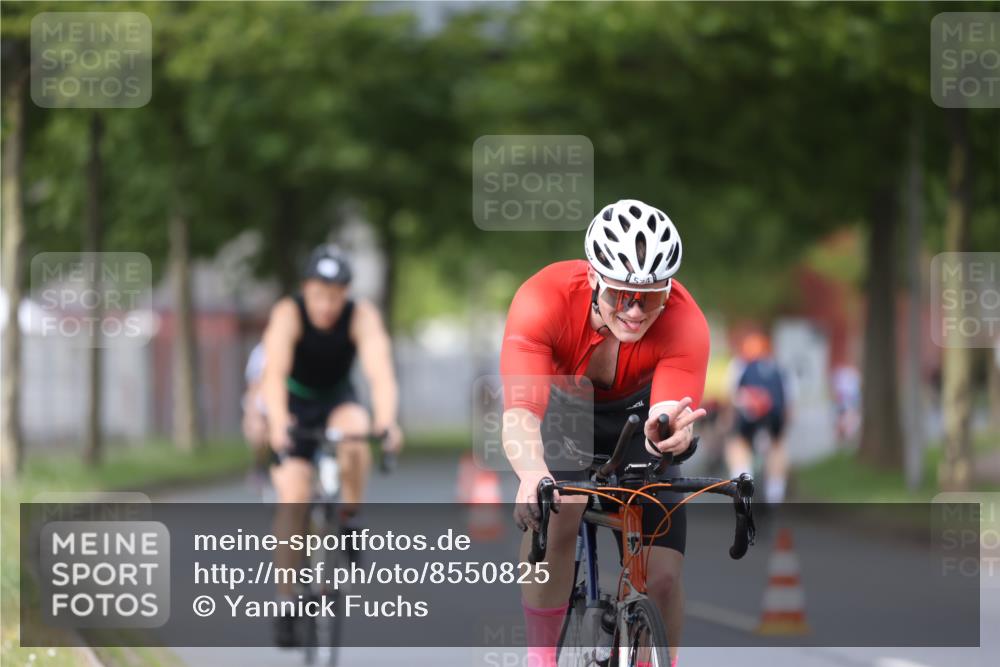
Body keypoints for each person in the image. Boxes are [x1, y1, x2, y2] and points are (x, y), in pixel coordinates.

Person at [500, 199, 709, 667]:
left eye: (650, 297)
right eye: (620, 295)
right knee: (560, 509)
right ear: (594, 278)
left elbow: (666, 414)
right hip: (564, 414)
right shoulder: (543, 299)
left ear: (668, 290)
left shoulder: (684, 320)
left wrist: (666, 437)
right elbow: (520, 414)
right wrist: (532, 474)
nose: (634, 311)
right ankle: (540, 658)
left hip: (635, 418)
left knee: (663, 578)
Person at [260, 243, 403, 647]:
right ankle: (286, 601)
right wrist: (277, 422)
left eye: (336, 296)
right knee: (293, 496)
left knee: (356, 431)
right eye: (319, 295)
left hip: (337, 399)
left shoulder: (361, 316)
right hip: (295, 404)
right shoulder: (288, 313)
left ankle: (349, 518)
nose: (327, 305)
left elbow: (380, 373)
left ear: (346, 293)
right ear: (306, 288)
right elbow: (273, 375)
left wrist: (387, 421)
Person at [724, 332, 789, 504]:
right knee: (777, 446)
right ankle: (775, 494)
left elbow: (732, 397)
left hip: (748, 413)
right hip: (774, 414)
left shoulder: (739, 365)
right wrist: (782, 429)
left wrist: (728, 422)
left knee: (738, 443)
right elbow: (788, 404)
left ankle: (743, 489)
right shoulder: (778, 367)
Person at [240, 341, 271, 487]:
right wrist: (252, 413)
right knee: (258, 431)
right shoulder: (260, 352)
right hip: (264, 403)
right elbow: (253, 385)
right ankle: (260, 466)